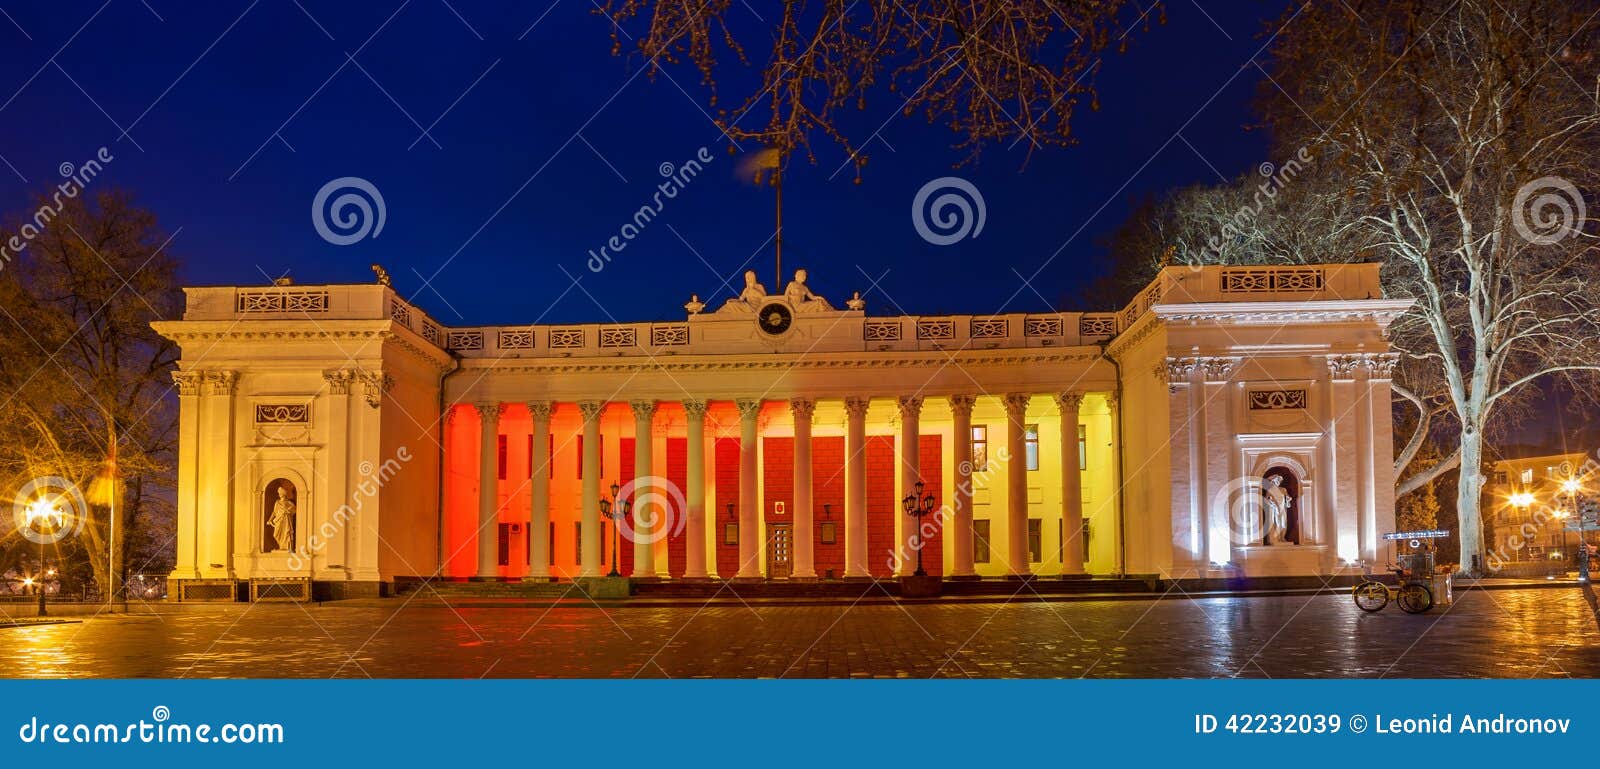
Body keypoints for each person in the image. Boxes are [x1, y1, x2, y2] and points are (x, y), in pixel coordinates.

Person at [1262, 474, 1292, 545]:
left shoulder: (1283, 489)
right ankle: (1277, 538)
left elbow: (1287, 497)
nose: (1278, 481)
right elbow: (1266, 500)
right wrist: (1271, 501)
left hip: (1282, 508)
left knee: (1283, 523)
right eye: (1276, 480)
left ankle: (1282, 538)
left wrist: (1288, 499)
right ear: (1273, 481)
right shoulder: (1270, 490)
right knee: (1277, 523)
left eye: (1279, 480)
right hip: (1275, 508)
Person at [269, 485, 296, 551]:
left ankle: (286, 547)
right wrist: (270, 519)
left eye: (281, 493)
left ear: (284, 494)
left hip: (286, 520)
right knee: (276, 534)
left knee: (286, 533)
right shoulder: (277, 502)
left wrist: (287, 511)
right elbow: (274, 512)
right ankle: (281, 546)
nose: (280, 494)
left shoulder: (290, 503)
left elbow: (293, 511)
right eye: (279, 493)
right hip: (278, 520)